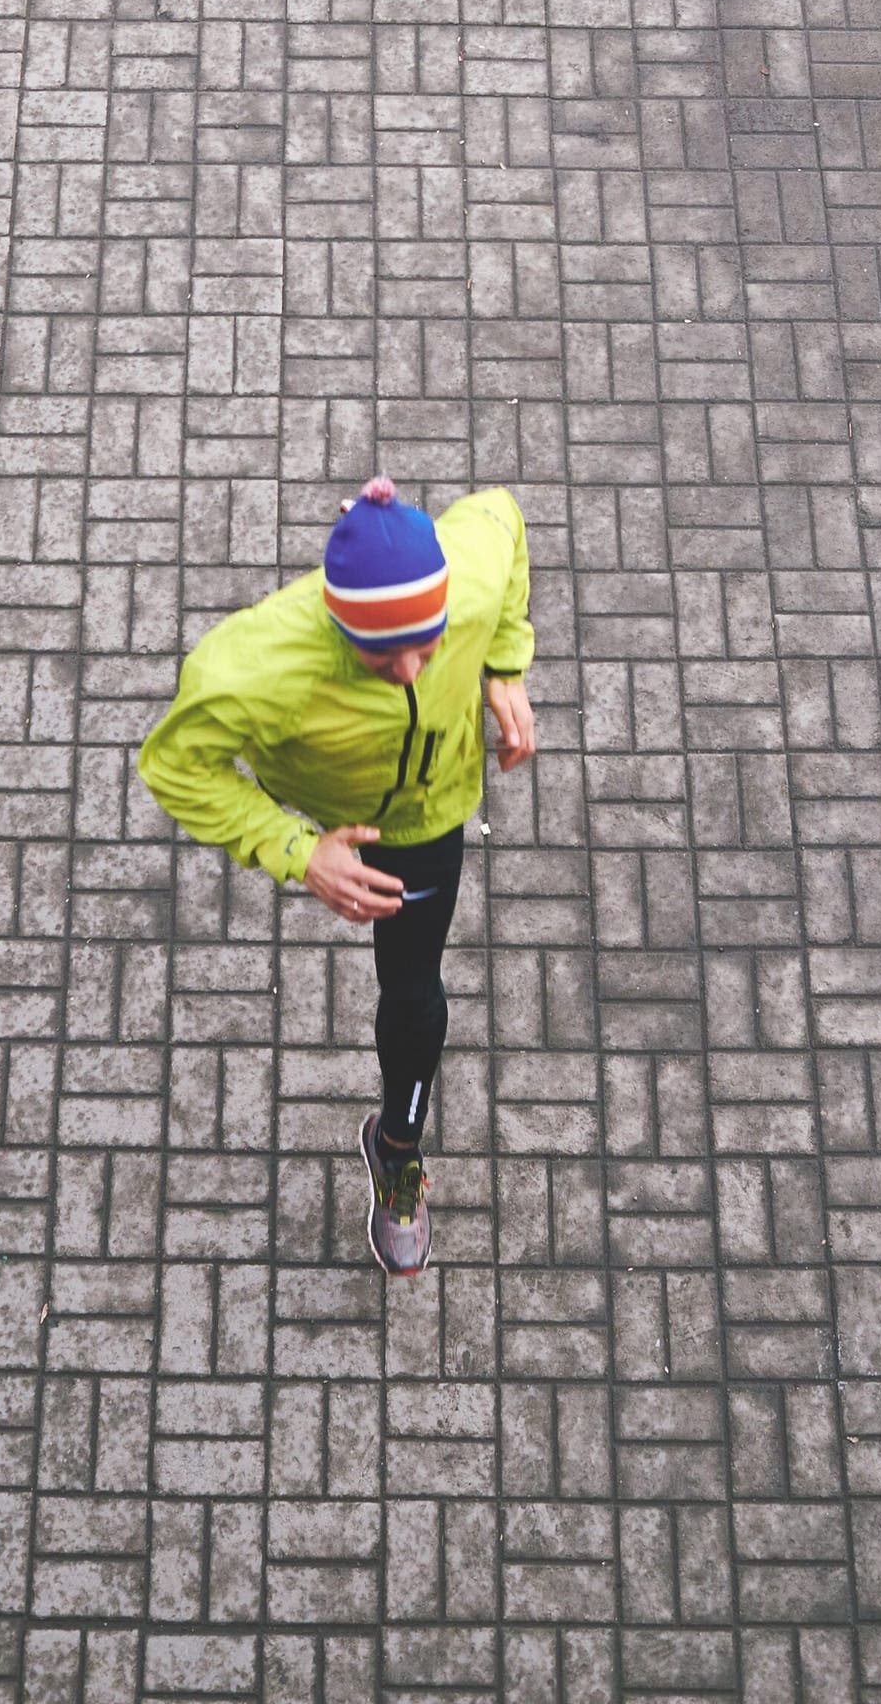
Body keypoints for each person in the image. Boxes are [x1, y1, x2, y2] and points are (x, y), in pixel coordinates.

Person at [137, 477, 536, 1275]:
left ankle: (396, 1150)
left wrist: (503, 662)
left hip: (427, 825)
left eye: (431, 643)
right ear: (336, 623)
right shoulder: (255, 664)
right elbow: (175, 767)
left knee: (415, 992)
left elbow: (506, 518)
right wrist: (295, 850)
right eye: (382, 656)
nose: (411, 671)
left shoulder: (475, 568)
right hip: (340, 819)